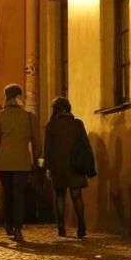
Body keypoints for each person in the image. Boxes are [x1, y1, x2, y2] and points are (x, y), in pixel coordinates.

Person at [0, 83, 39, 242]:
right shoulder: (28, 116)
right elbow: (36, 140)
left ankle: (8, 224)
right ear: (18, 97)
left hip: (4, 162)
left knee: (8, 194)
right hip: (23, 162)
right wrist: (38, 158)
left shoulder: (0, 116)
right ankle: (18, 228)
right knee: (19, 195)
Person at [44, 97, 95, 238]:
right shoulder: (77, 124)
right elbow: (85, 144)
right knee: (77, 196)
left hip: (58, 166)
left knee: (59, 196)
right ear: (68, 108)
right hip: (75, 165)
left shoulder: (51, 125)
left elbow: (48, 149)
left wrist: (48, 167)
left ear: (55, 109)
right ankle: (81, 227)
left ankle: (61, 228)